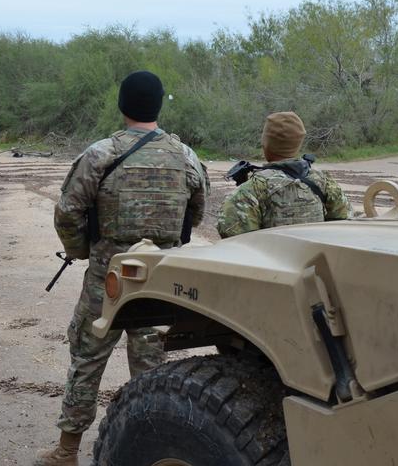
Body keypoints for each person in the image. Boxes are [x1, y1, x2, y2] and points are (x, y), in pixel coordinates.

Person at [36, 71, 208, 466]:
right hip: (162, 281)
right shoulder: (186, 157)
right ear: (159, 106)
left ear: (122, 105)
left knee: (86, 359)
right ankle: (149, 449)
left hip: (107, 279)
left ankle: (66, 451)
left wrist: (80, 249)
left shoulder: (100, 154)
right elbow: (196, 214)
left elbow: (67, 212)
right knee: (151, 371)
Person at [217, 111, 350, 238]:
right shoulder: (324, 181)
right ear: (298, 143)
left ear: (265, 144)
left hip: (269, 261)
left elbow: (232, 236)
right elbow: (342, 222)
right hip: (314, 260)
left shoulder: (252, 189)